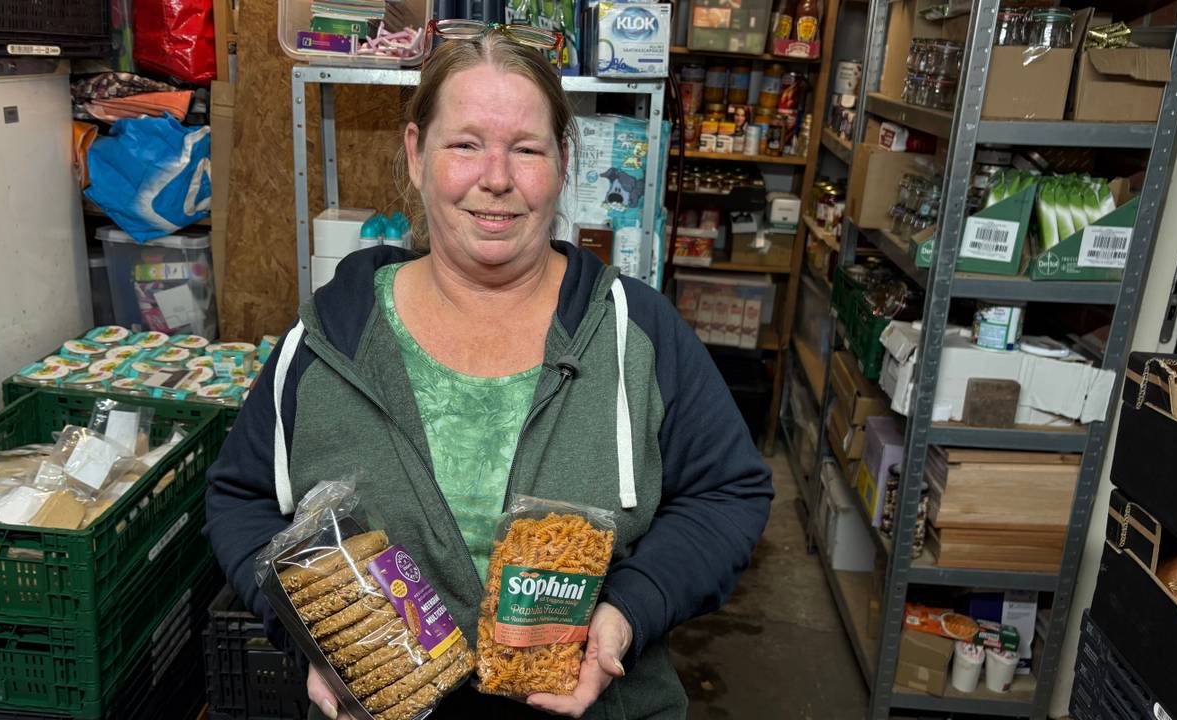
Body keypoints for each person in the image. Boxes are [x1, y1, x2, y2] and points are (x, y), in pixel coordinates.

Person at [203, 28, 772, 720]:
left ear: (563, 162)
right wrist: (310, 636)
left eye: (526, 149)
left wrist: (631, 608)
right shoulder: (332, 338)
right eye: (465, 144)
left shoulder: (635, 331)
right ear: (417, 154)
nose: (495, 178)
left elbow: (727, 492)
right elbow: (240, 497)